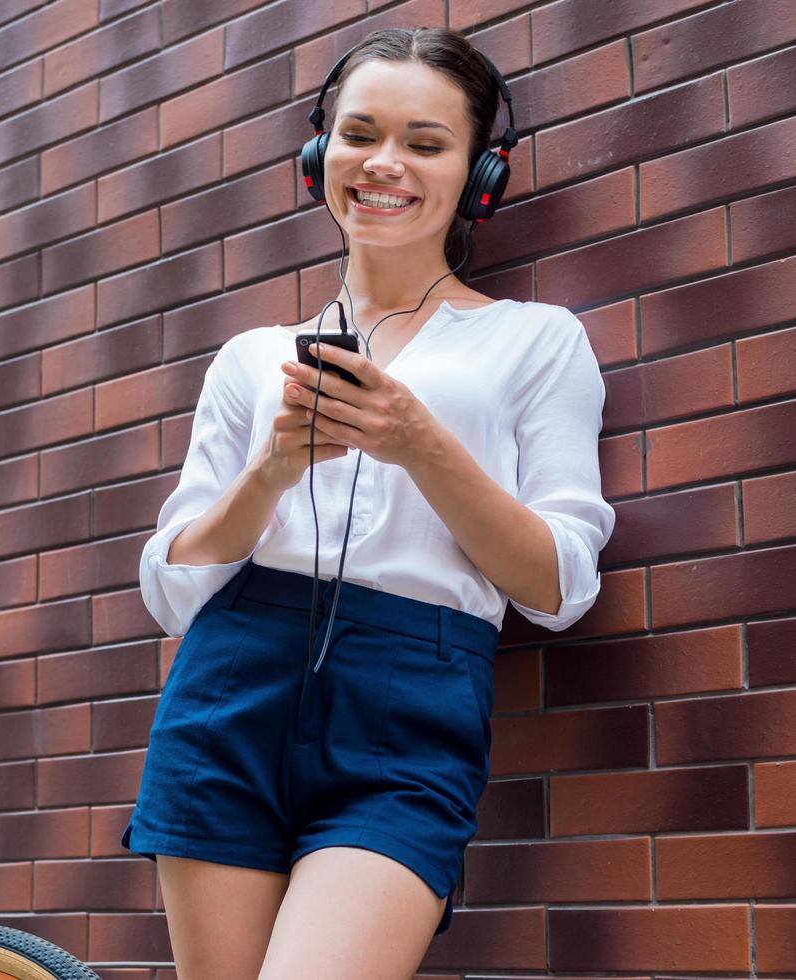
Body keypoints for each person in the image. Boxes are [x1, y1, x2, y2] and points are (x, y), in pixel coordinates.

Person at [119, 26, 616, 979]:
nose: (383, 164)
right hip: (231, 685)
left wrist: (417, 442)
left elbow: (559, 586)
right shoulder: (249, 359)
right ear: (318, 157)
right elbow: (173, 588)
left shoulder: (535, 341)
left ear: (479, 175)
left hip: (411, 699)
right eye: (359, 134)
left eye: (425, 143)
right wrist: (269, 471)